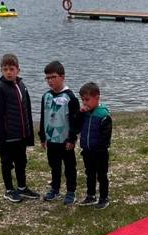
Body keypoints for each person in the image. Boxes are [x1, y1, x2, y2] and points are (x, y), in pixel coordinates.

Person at [0, 53, 38, 202]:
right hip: (7, 135)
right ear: (1, 71)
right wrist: (0, 140)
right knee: (6, 162)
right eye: (5, 69)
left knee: (21, 161)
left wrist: (29, 134)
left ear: (18, 69)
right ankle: (9, 190)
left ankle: (22, 187)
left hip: (21, 134)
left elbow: (27, 110)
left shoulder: (22, 86)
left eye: (11, 69)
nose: (9, 72)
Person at [39, 60, 81, 205]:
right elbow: (43, 116)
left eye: (53, 77)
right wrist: (42, 136)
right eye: (48, 78)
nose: (50, 81)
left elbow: (76, 121)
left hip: (65, 140)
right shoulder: (46, 96)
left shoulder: (70, 97)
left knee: (69, 167)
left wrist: (72, 138)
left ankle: (71, 191)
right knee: (54, 166)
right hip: (51, 139)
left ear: (62, 77)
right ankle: (55, 189)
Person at [76, 81, 112, 209]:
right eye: (83, 100)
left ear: (97, 98)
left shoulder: (104, 115)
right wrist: (80, 113)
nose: (85, 103)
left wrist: (99, 148)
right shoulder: (84, 113)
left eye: (87, 99)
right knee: (89, 173)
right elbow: (76, 127)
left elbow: (106, 136)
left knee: (102, 175)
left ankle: (104, 197)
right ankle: (91, 195)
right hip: (87, 150)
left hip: (100, 152)